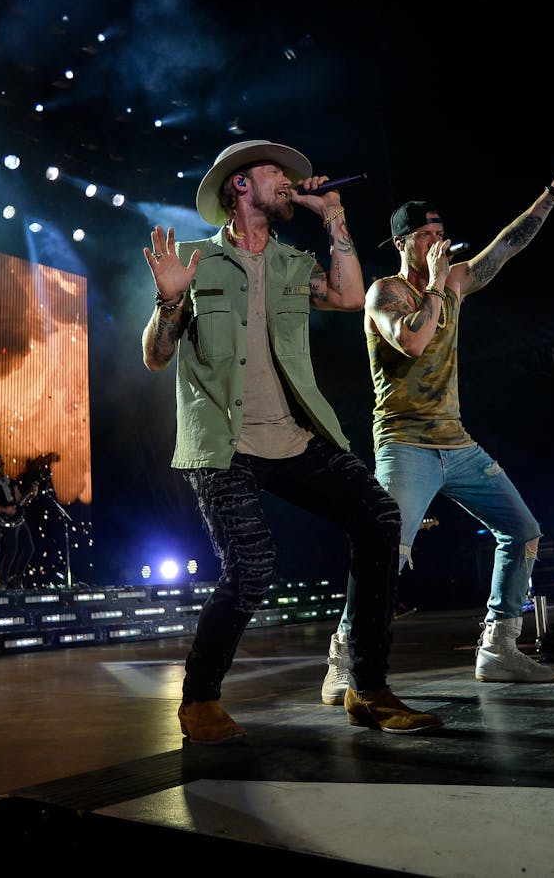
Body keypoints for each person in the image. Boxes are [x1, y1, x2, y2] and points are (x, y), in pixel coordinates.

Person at [142, 138, 442, 744]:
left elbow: (352, 296)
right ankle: (199, 698)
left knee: (380, 519)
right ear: (240, 187)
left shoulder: (290, 261)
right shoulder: (196, 261)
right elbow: (155, 355)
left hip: (296, 434)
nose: (286, 181)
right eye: (273, 173)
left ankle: (368, 686)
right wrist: (170, 298)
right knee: (251, 570)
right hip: (223, 444)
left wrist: (332, 217)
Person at [321, 140, 554, 703]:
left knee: (522, 531)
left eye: (440, 230)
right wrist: (437, 281)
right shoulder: (385, 292)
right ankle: (345, 656)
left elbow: (507, 246)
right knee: (385, 550)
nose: (437, 240)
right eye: (426, 234)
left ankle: (498, 649)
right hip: (405, 444)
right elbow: (416, 341)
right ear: (403, 242)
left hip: (458, 443)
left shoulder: (454, 280)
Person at [0, 454, 39, 589]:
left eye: (2, 464)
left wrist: (32, 494)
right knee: (12, 551)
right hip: (7, 522)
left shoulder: (10, 481)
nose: (2, 467)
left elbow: (20, 500)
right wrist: (3, 509)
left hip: (19, 519)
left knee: (29, 548)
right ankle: (3, 581)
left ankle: (17, 577)